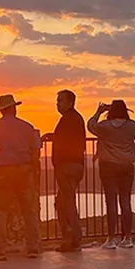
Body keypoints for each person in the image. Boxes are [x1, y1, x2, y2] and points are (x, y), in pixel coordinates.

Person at [0, 94, 42, 261]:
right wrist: (32, 169)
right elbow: (36, 150)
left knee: (1, 211)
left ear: (1, 111)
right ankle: (33, 247)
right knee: (29, 210)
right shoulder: (27, 127)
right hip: (24, 170)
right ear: (14, 108)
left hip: (3, 171)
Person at [88, 99, 135, 249]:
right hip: (127, 166)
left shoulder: (104, 127)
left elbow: (91, 125)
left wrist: (98, 112)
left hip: (108, 166)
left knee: (111, 202)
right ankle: (128, 237)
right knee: (125, 201)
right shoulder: (132, 126)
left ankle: (111, 239)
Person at [46, 89, 87, 252]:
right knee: (62, 202)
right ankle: (71, 237)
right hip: (75, 165)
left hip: (67, 166)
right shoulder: (75, 119)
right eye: (57, 101)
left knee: (66, 203)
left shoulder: (68, 119)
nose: (57, 104)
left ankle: (72, 239)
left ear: (70, 102)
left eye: (60, 101)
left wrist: (58, 163)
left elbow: (66, 143)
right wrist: (54, 136)